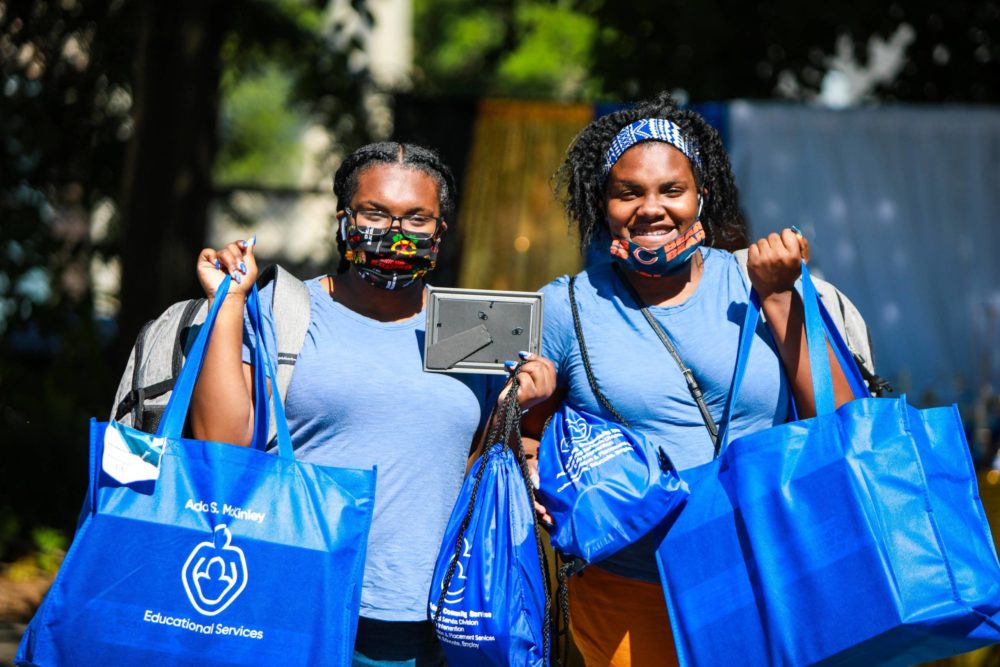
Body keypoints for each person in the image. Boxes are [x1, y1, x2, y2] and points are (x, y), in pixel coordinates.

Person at [189, 141, 555, 666]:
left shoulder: (475, 331)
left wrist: (510, 412)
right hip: (288, 602)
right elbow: (222, 443)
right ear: (343, 220)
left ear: (440, 232)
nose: (395, 232)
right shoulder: (283, 311)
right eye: (375, 213)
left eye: (417, 218)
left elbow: (470, 474)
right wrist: (227, 304)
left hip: (424, 621)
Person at [522, 92, 856, 666]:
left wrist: (779, 295)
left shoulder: (760, 278)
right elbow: (525, 435)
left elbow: (842, 423)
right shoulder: (565, 307)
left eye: (671, 189)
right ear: (602, 204)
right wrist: (529, 464)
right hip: (628, 587)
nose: (652, 208)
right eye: (629, 192)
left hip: (765, 572)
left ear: (702, 195)